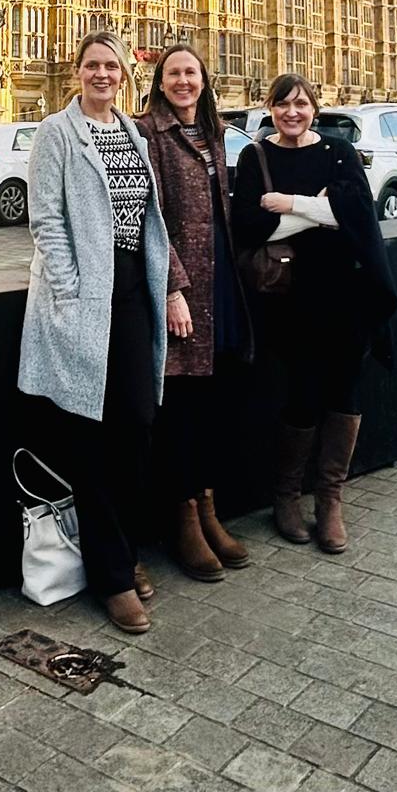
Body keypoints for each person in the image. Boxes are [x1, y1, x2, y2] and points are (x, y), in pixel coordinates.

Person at [18, 31, 170, 635]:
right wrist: (71, 288)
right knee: (94, 432)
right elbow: (45, 217)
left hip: (133, 287)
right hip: (87, 294)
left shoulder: (131, 132)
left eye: (111, 66)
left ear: (124, 76)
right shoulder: (56, 132)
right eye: (92, 66)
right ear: (76, 73)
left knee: (137, 422)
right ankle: (112, 576)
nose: (102, 74)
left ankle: (124, 550)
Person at [231, 74, 397, 553]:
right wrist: (320, 209)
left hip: (344, 293)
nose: (292, 113)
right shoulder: (256, 156)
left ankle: (330, 501)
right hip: (289, 298)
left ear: (314, 108)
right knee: (301, 395)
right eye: (282, 105)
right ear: (270, 109)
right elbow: (250, 224)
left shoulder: (339, 153)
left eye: (301, 104)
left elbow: (358, 213)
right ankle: (286, 497)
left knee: (344, 394)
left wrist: (289, 205)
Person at [135, 45, 253, 582]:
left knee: (210, 405)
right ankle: (183, 520)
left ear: (204, 81)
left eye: (192, 73)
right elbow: (146, 217)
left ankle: (208, 510)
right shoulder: (147, 134)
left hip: (220, 284)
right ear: (160, 84)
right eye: (174, 74)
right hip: (183, 289)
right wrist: (171, 288)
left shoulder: (215, 132)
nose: (184, 81)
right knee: (180, 410)